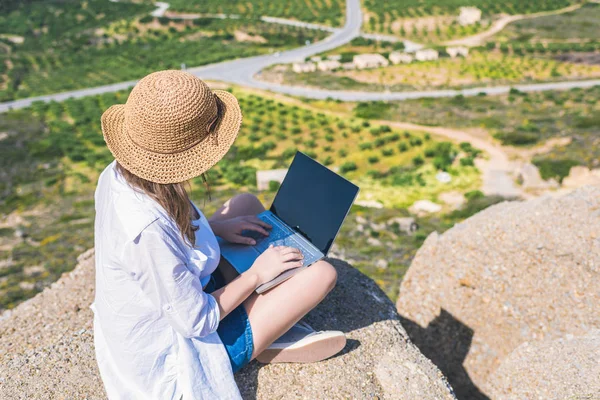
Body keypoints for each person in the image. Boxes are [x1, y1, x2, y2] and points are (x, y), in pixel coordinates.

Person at [90, 70, 346, 399]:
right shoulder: (147, 233)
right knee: (321, 274)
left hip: (175, 299)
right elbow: (194, 322)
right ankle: (264, 334)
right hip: (181, 351)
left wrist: (215, 228)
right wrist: (257, 275)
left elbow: (171, 242)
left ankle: (267, 318)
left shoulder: (120, 174)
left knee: (246, 205)